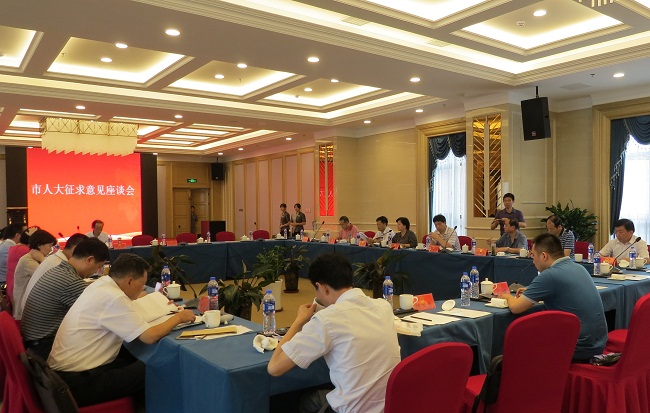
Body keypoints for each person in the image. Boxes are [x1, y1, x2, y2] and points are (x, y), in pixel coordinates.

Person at [48, 253, 196, 407]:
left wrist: (158, 304)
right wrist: (179, 317)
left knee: (133, 359)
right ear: (130, 281)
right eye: (142, 284)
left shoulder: (101, 285)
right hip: (78, 383)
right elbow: (149, 337)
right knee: (156, 366)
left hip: (65, 375)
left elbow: (125, 310)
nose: (143, 288)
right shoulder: (114, 298)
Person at [267, 253, 400, 413]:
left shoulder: (327, 319)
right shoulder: (384, 307)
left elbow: (274, 368)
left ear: (322, 287)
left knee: (297, 400)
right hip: (389, 405)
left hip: (352, 409)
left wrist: (299, 321)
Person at [499, 233, 607, 362]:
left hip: (578, 348)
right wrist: (533, 291)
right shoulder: (578, 267)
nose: (532, 261)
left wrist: (507, 296)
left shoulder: (549, 275)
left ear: (544, 256)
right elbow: (562, 290)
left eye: (533, 256)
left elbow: (516, 308)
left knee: (522, 339)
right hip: (598, 343)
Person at [21, 238, 110, 359]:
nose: (96, 271)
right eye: (99, 266)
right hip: (44, 348)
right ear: (89, 260)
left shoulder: (60, 270)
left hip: (35, 342)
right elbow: (103, 309)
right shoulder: (71, 281)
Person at [19, 233, 88, 319]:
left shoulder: (54, 259)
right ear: (75, 250)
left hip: (32, 315)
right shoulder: (59, 266)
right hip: (36, 318)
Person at [12, 230, 57, 320]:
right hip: (24, 310)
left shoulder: (34, 258)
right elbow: (51, 277)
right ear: (39, 245)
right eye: (49, 246)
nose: (51, 249)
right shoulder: (28, 260)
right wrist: (43, 259)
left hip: (32, 305)